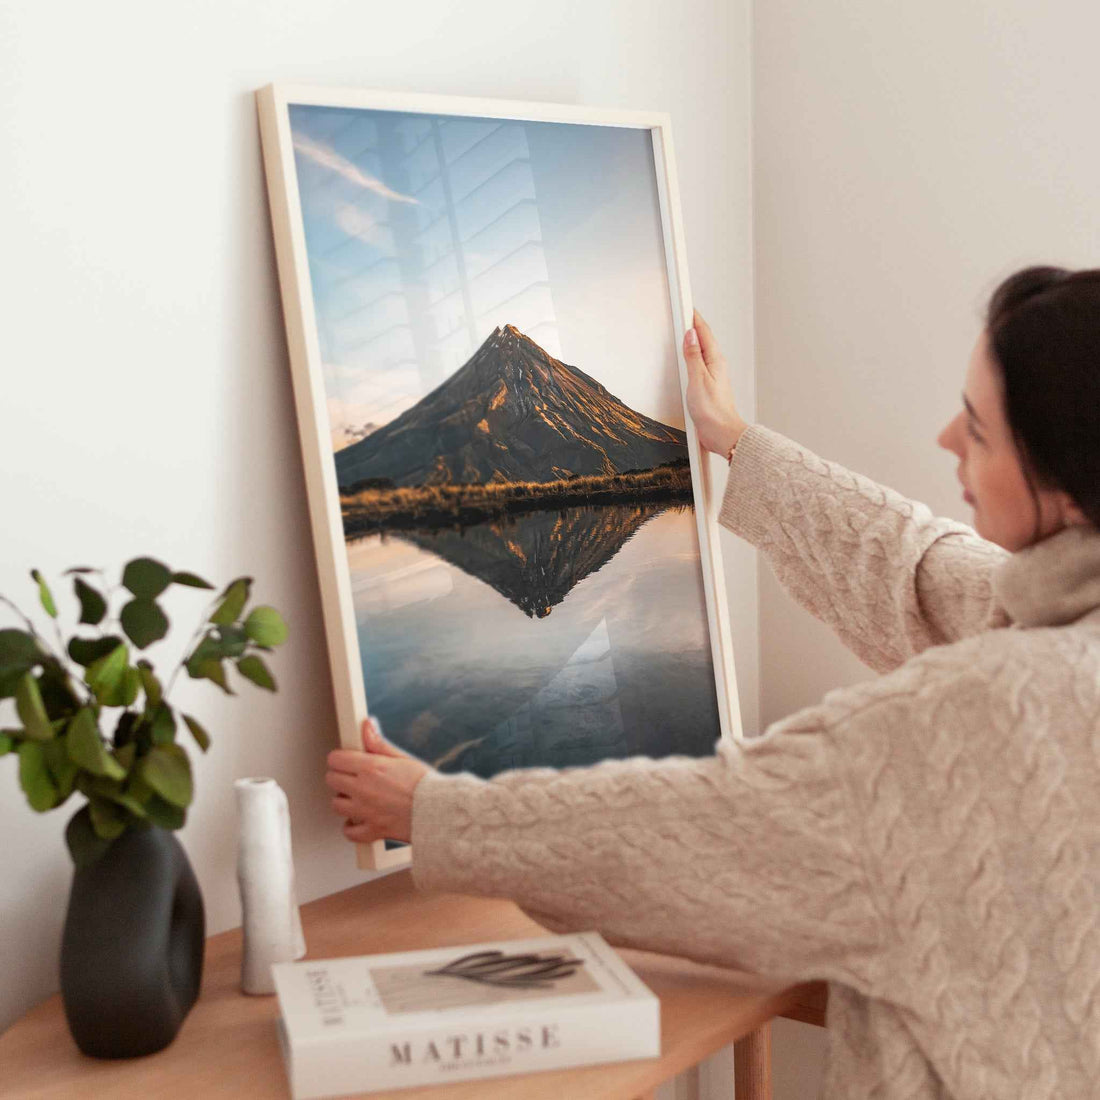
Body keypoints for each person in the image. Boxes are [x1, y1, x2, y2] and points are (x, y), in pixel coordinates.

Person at [325, 266, 1100, 1099]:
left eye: (980, 431)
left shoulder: (983, 714)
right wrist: (735, 441)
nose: (948, 438)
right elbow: (919, 570)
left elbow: (705, 828)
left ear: (1065, 486)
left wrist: (434, 814)